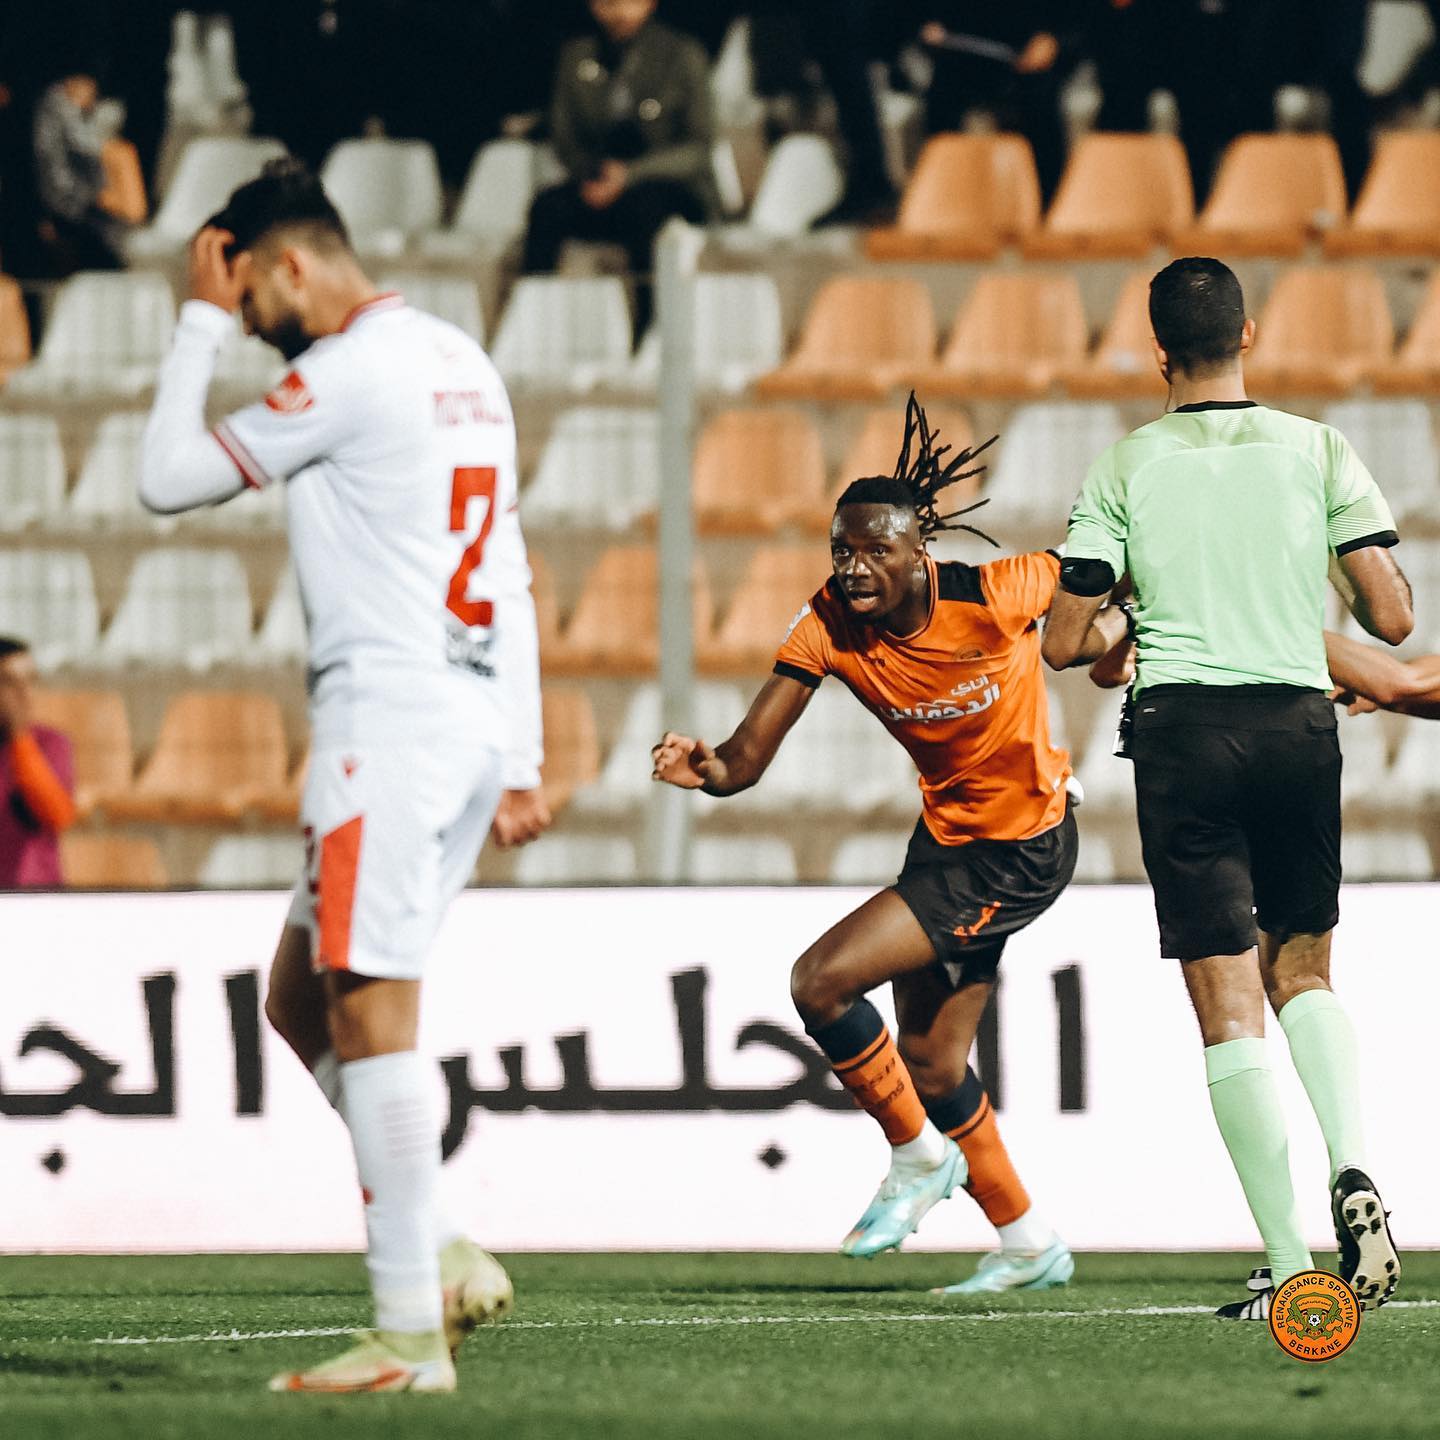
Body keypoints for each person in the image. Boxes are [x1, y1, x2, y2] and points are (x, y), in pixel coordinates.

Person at [138, 158, 552, 1394]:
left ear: (288, 264)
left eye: (249, 297)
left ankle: (407, 1335)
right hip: (466, 718)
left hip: (392, 722)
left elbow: (164, 479)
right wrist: (523, 753)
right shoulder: (459, 360)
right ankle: (441, 1252)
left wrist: (194, 323)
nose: (250, 322)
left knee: (371, 1012)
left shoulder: (349, 371)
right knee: (299, 1000)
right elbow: (510, 565)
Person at [652, 397, 1097, 1294]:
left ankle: (918, 1158)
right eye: (841, 551)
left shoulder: (996, 591)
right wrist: (708, 768)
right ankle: (1027, 1240)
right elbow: (747, 757)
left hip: (1021, 850)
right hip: (946, 841)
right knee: (931, 1063)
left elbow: (1098, 574)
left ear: (918, 550)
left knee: (819, 981)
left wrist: (1117, 637)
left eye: (875, 551)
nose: (854, 568)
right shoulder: (828, 622)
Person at [1043, 256, 1413, 1320]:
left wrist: (1133, 608)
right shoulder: (1318, 449)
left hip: (1184, 735)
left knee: (1226, 1001)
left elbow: (1065, 642)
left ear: (1158, 350)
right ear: (1248, 333)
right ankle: (1354, 1164)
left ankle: (1291, 1268)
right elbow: (1393, 620)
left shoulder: (1124, 466)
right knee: (1304, 968)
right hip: (1297, 722)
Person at [522, 0, 715, 336]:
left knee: (646, 214)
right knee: (546, 208)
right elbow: (564, 135)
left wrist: (631, 174)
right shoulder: (578, 55)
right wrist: (592, 175)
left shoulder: (681, 53)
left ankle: (651, 330)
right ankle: (535, 324)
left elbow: (698, 149)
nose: (619, 11)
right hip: (597, 180)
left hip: (664, 183)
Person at [31, 62, 145, 274]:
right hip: (73, 209)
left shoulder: (63, 114)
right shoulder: (57, 110)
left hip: (84, 211)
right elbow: (59, 175)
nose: (91, 96)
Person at [0, 636, 75, 888]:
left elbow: (56, 814)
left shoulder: (51, 744)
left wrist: (20, 739)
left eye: (30, 680)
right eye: (9, 682)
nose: (23, 693)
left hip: (36, 895)